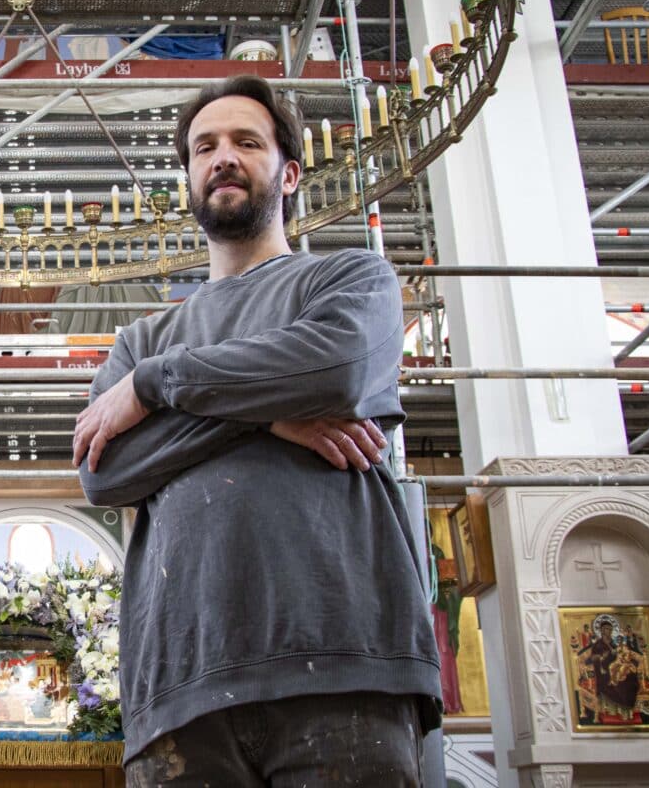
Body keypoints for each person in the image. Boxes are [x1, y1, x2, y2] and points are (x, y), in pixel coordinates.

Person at [75, 75, 441, 786]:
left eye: (247, 141)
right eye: (204, 146)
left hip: (344, 664)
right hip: (180, 685)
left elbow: (336, 369)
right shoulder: (140, 336)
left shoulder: (350, 280)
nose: (223, 157)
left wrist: (156, 388)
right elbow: (106, 471)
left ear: (290, 172)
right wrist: (275, 411)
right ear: (187, 174)